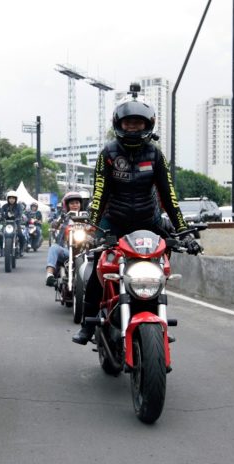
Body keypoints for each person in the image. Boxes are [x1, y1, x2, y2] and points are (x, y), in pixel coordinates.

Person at [72, 95, 201, 345]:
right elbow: (100, 193)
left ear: (148, 125)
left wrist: (183, 231)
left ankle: (156, 316)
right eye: (128, 122)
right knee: (99, 266)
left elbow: (168, 194)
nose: (133, 127)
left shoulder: (156, 155)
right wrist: (90, 231)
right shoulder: (107, 153)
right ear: (119, 124)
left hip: (149, 221)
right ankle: (88, 324)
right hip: (114, 220)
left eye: (138, 123)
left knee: (158, 269)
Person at [45, 192, 83, 286]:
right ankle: (49, 276)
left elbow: (94, 230)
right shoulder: (64, 217)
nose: (75, 205)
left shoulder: (87, 217)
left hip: (84, 251)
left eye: (77, 203)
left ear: (81, 204)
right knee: (54, 247)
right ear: (67, 205)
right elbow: (54, 224)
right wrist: (57, 223)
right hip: (67, 251)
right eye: (72, 203)